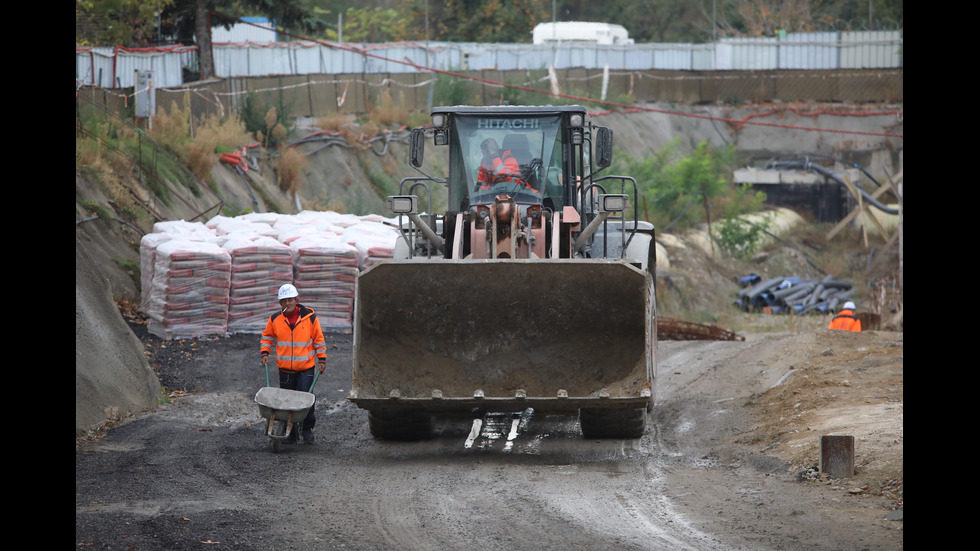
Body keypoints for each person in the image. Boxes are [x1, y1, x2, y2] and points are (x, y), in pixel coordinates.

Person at [260, 283, 328, 443]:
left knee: (305, 398)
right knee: (286, 402)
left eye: (290, 300)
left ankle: (306, 429)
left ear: (296, 300)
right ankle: (289, 432)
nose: (287, 303)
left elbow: (318, 339)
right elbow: (267, 336)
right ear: (280, 303)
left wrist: (322, 358)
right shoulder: (275, 319)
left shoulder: (309, 317)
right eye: (284, 301)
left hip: (306, 367)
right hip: (285, 369)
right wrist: (265, 352)